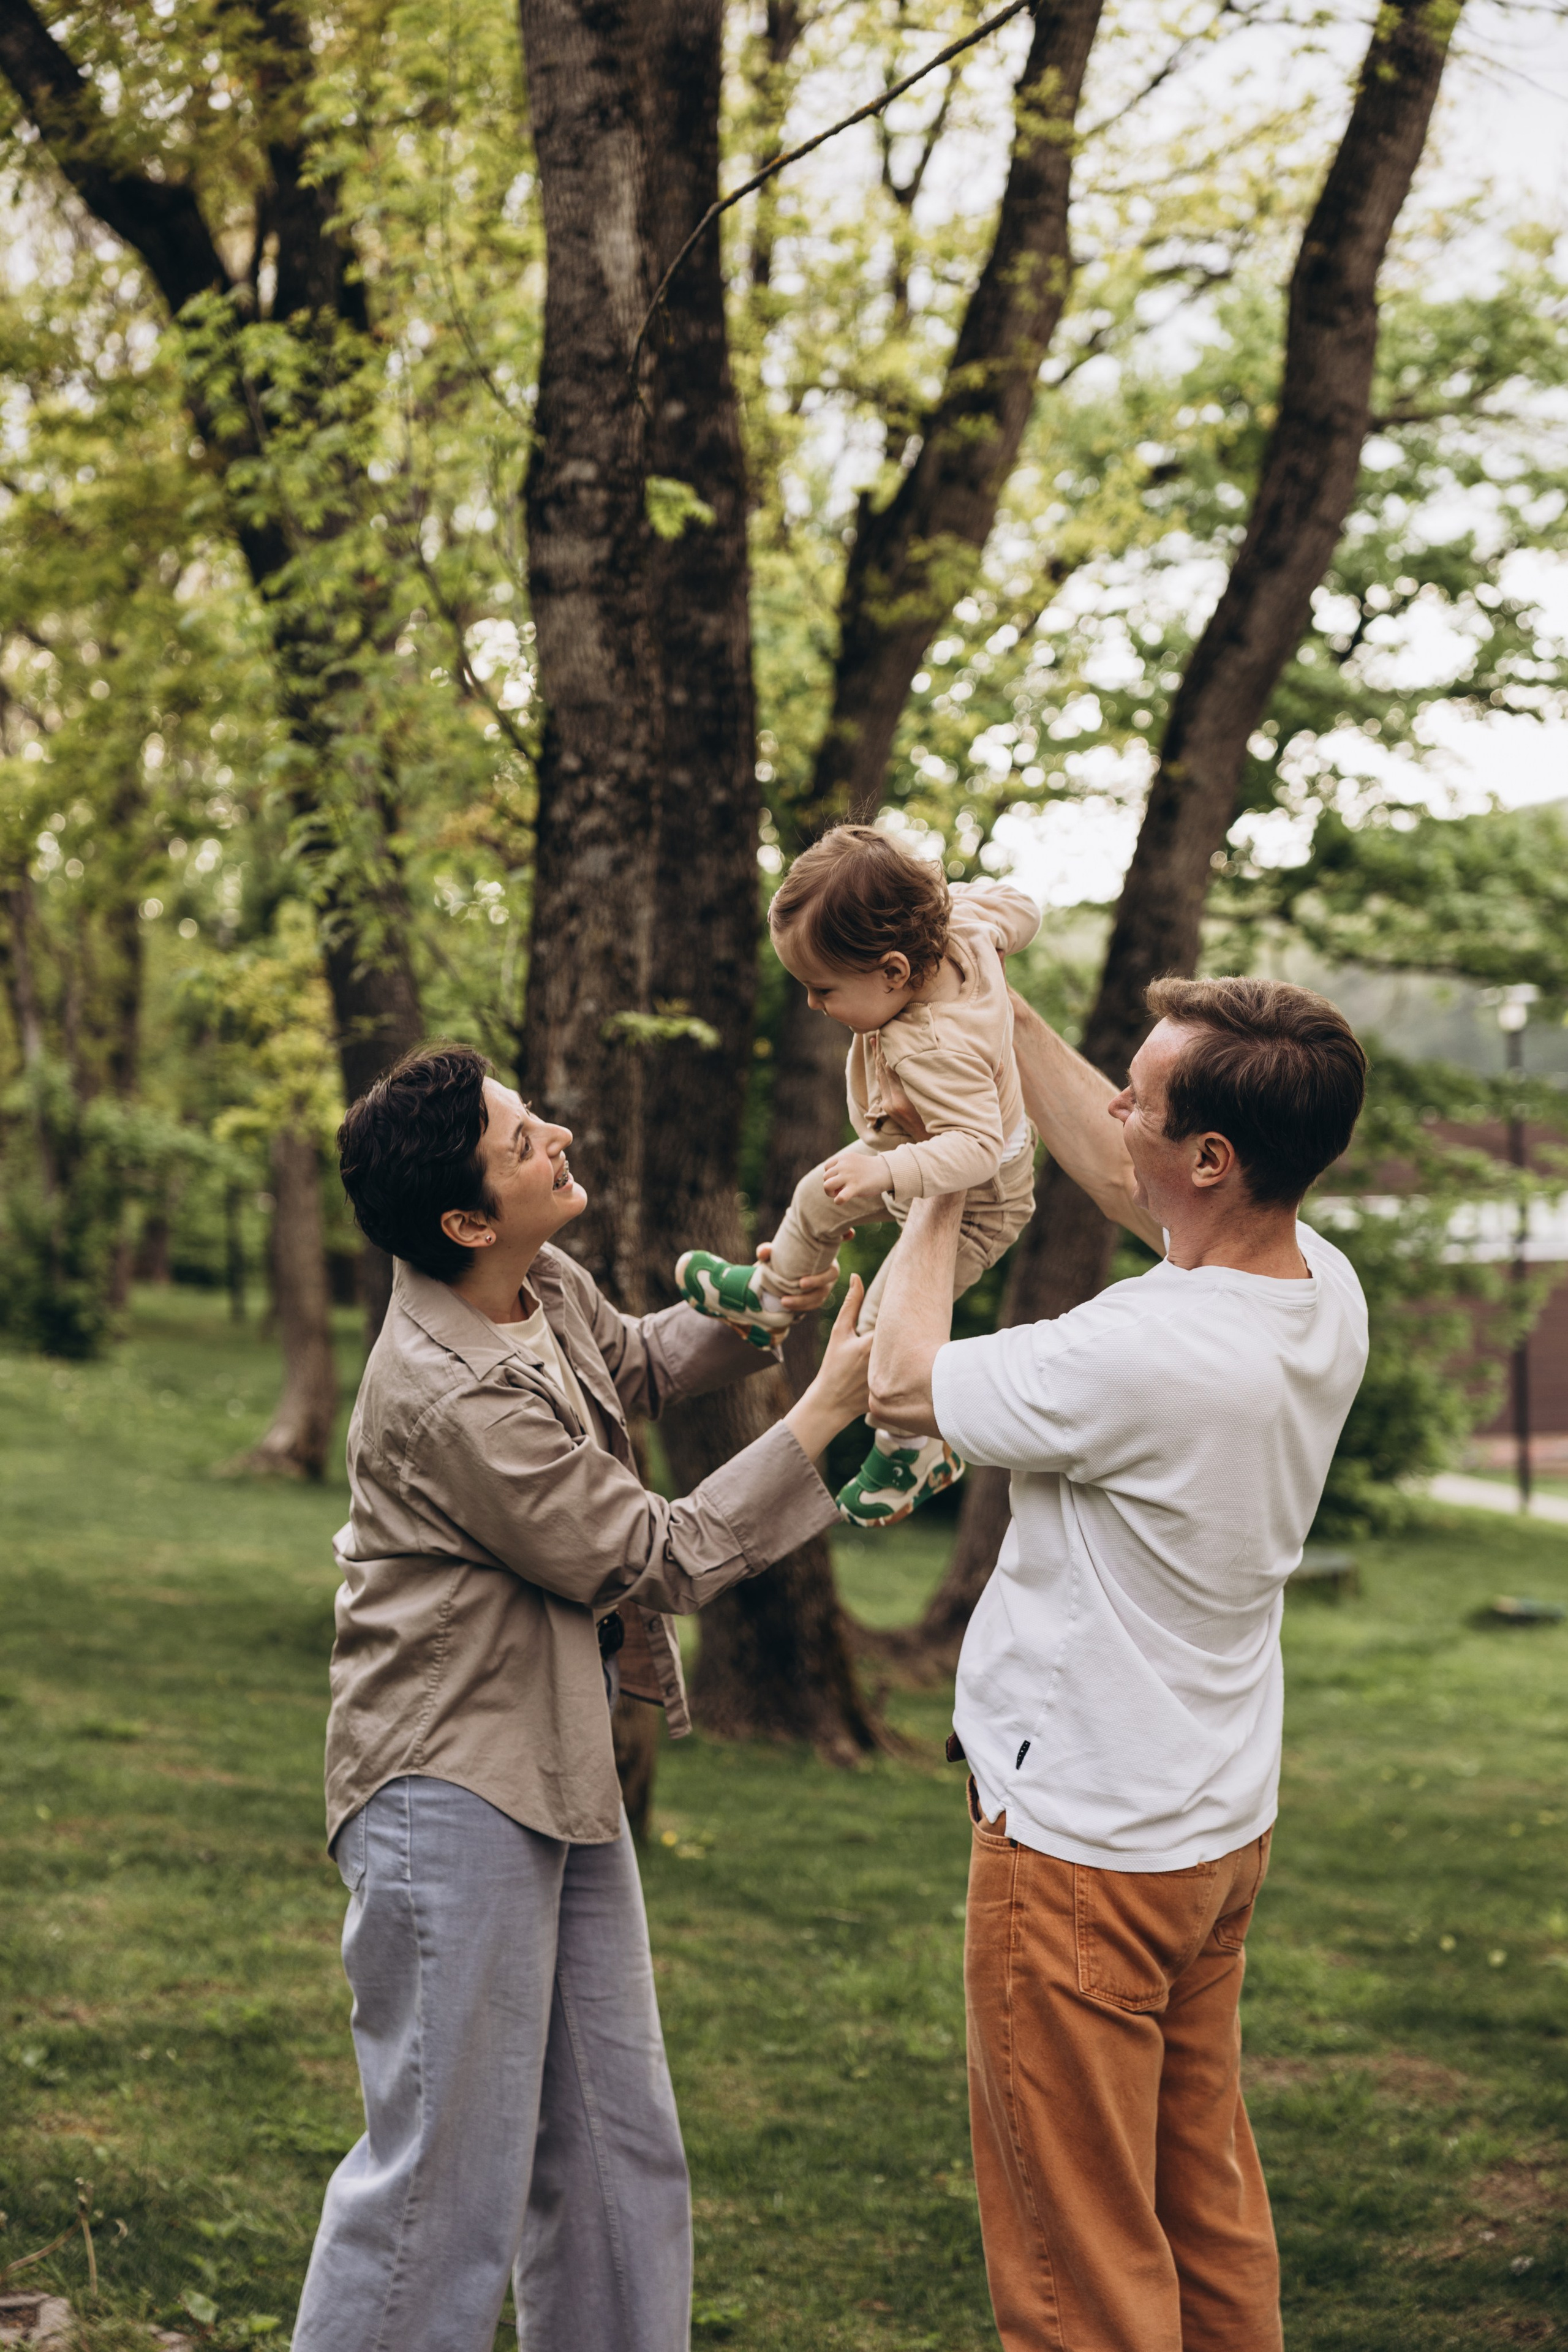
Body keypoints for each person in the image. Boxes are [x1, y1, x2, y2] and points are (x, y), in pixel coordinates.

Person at [291, 1044, 872, 2352]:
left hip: (560, 1769)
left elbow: (641, 1365)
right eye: (519, 1141)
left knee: (617, 2150)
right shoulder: (447, 1394)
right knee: (441, 2189)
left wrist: (784, 1273)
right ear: (463, 1220)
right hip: (448, 1789)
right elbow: (652, 1555)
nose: (553, 1133)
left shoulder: (534, 1279)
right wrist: (827, 1414)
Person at [868, 976, 1370, 2352]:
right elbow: (1116, 1170)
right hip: (1206, 1833)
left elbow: (902, 1381)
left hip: (1080, 1857)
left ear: (1209, 1158)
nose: (1111, 1109)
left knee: (1074, 2268)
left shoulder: (1141, 1351)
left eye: (1138, 1097)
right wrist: (991, 1004)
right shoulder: (1312, 1285)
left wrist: (935, 1176)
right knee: (1196, 2208)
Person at [676, 823, 1041, 1526]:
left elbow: (972, 1147)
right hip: (916, 1157)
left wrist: (890, 1172)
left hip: (979, 1199)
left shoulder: (934, 1045)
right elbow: (1019, 906)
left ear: (895, 972)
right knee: (818, 1193)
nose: (814, 1005)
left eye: (822, 989)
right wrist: (964, 904)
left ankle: (916, 1446)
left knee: (885, 1323)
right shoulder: (963, 925)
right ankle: (773, 1299)